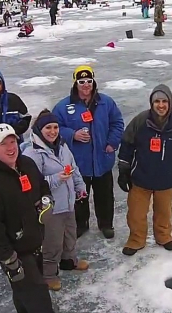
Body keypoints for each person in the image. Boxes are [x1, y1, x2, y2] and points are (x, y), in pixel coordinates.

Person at [0, 124, 56, 313]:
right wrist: (9, 259)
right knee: (39, 300)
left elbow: (42, 185)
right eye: (4, 144)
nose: (11, 148)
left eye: (13, 142)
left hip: (35, 242)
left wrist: (45, 200)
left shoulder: (26, 164)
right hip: (16, 254)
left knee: (24, 294)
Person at [117, 85, 172, 256]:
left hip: (166, 180)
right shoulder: (140, 121)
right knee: (136, 214)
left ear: (170, 102)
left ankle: (164, 236)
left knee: (164, 213)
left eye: (164, 101)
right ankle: (136, 240)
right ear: (152, 103)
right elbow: (126, 145)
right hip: (140, 178)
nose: (161, 105)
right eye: (157, 102)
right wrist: (124, 170)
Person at [52, 65, 124, 239]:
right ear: (75, 83)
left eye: (89, 81)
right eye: (81, 81)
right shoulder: (63, 106)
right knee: (79, 195)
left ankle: (106, 224)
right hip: (78, 162)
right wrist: (72, 134)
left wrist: (112, 143)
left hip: (102, 158)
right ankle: (80, 224)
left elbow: (117, 123)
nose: (85, 85)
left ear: (94, 82)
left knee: (105, 195)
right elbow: (53, 129)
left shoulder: (106, 102)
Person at [22, 110, 89, 291]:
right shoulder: (32, 154)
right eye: (48, 128)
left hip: (68, 202)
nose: (53, 131)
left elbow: (73, 168)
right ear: (39, 130)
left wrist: (80, 187)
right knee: (52, 242)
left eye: (55, 127)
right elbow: (34, 185)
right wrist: (57, 178)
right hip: (51, 208)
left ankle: (69, 260)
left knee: (70, 234)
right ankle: (49, 274)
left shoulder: (63, 146)